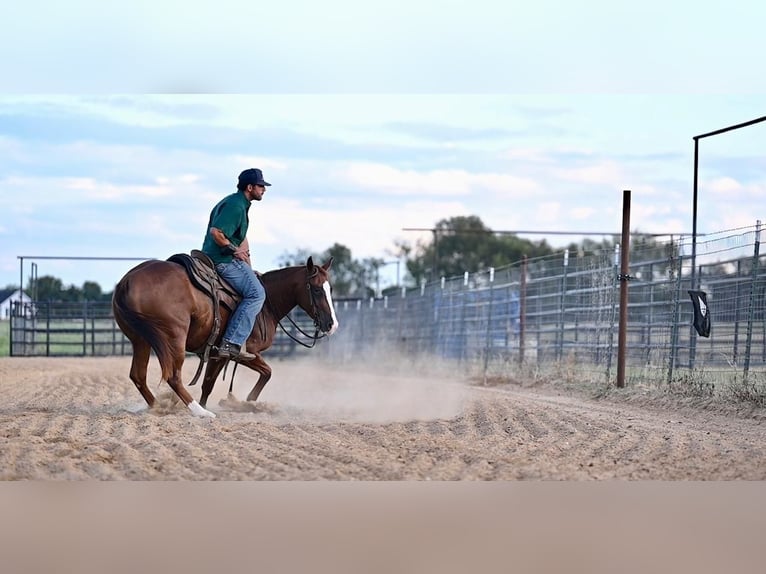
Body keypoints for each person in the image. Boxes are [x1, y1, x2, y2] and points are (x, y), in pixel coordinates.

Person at [201, 168, 270, 361]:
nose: (264, 190)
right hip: (222, 260)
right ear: (250, 187)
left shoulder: (235, 202)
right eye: (261, 186)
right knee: (257, 293)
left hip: (221, 257)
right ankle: (231, 343)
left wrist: (247, 265)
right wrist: (233, 249)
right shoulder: (236, 206)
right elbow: (216, 232)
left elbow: (240, 238)